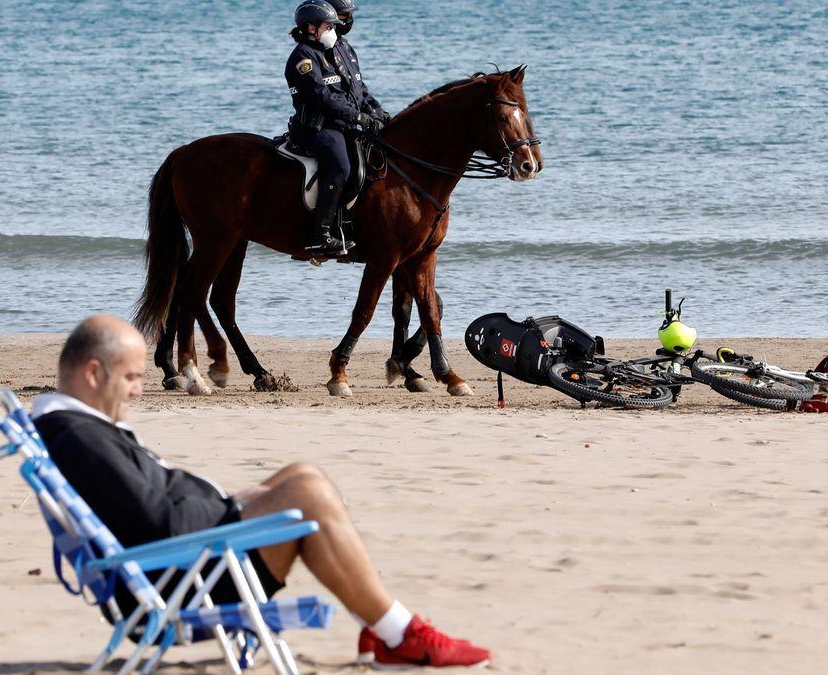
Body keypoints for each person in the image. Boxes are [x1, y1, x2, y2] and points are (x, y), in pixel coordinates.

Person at [31, 315, 490, 668]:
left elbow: (146, 506)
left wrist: (233, 502)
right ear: (94, 373)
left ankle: (377, 628)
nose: (139, 392)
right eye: (131, 378)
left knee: (300, 472)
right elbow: (155, 520)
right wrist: (232, 507)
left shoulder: (73, 426)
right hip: (184, 582)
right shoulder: (80, 438)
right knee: (307, 492)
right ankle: (400, 634)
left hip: (179, 565)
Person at [285, 0, 391, 254]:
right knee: (340, 166)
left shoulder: (343, 48)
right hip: (317, 127)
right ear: (311, 28)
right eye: (329, 25)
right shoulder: (303, 58)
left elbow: (359, 90)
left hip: (343, 123)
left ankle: (354, 226)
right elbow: (323, 98)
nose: (334, 29)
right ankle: (319, 234)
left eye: (335, 24)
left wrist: (377, 112)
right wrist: (359, 118)